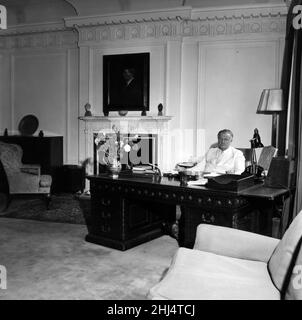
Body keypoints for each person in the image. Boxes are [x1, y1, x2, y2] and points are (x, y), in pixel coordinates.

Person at [177, 129, 246, 175]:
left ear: (231, 140)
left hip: (223, 182)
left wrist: (230, 176)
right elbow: (200, 166)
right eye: (220, 139)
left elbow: (239, 171)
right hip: (204, 179)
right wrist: (185, 171)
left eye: (226, 139)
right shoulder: (211, 151)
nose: (222, 142)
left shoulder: (237, 153)